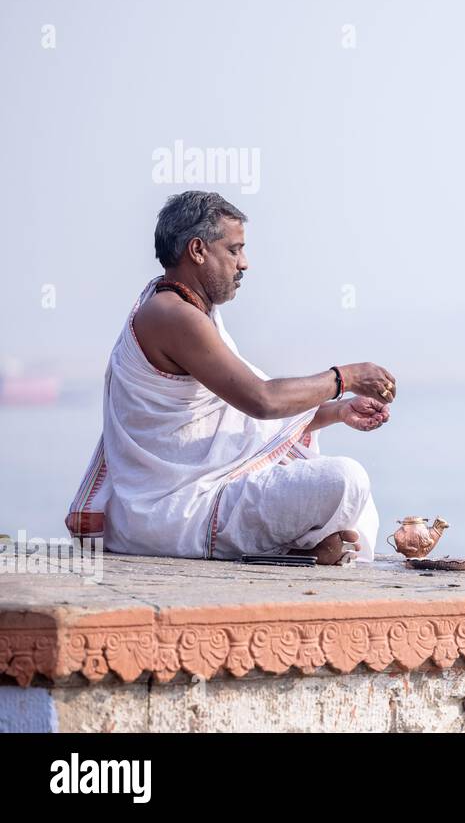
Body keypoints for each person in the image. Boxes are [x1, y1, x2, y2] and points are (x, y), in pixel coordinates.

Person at [67, 190, 396, 565]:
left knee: (356, 494)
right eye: (234, 250)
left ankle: (311, 548)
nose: (245, 264)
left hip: (197, 500)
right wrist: (346, 376)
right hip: (175, 511)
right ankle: (308, 548)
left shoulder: (189, 313)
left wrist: (338, 411)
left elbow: (238, 417)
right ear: (197, 250)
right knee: (345, 479)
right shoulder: (172, 315)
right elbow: (262, 400)